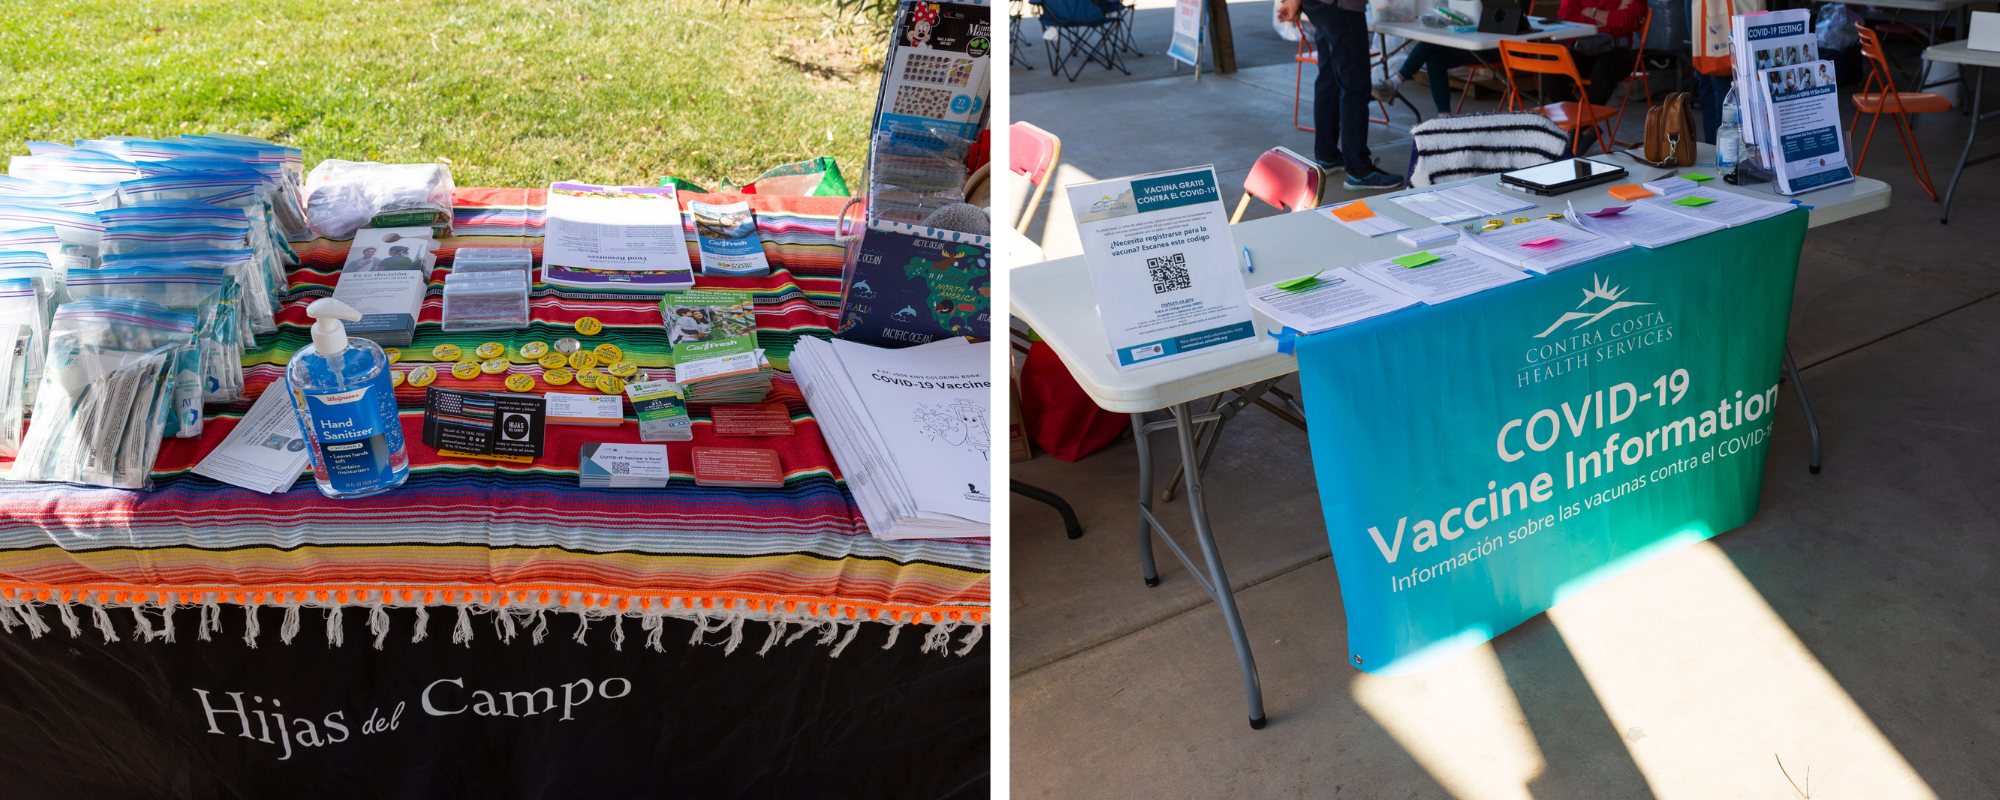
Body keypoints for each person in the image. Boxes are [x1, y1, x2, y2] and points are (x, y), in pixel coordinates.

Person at [1278, 0, 1404, 190]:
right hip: (1340, 6)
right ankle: (1358, 169)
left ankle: (1328, 156)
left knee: (1330, 78)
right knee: (1355, 85)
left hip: (1321, 6)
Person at [1550, 0, 1645, 152]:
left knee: (1602, 75)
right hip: (1583, 47)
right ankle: (1585, 129)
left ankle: (1580, 129)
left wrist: (1590, 13)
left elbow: (1628, 21)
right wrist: (1609, 19)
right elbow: (1567, 17)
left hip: (1617, 48)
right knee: (1552, 71)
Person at [1371, 43, 1499, 116]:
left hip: (1494, 47)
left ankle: (1394, 83)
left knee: (1431, 41)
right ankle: (1444, 119)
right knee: (1435, 59)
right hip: (1475, 40)